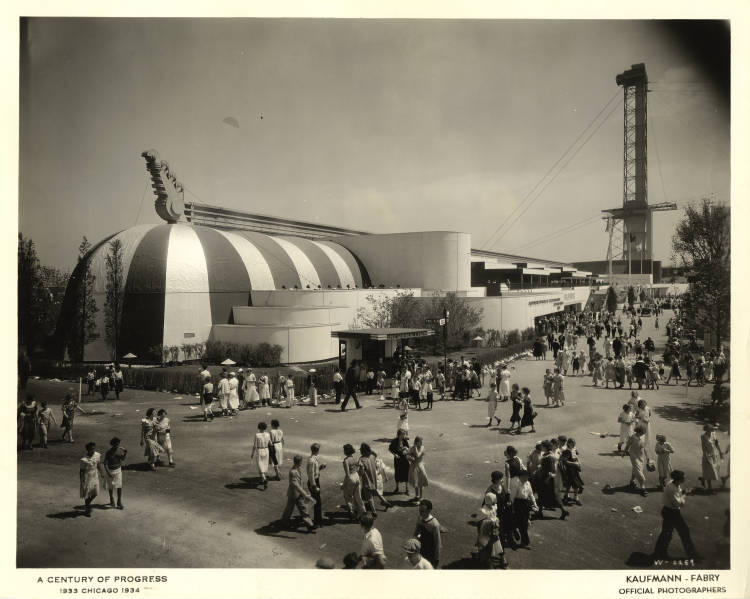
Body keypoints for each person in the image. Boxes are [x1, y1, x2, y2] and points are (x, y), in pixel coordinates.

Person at [652, 470, 700, 561]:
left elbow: (679, 493)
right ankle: (692, 555)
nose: (685, 478)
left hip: (669, 511)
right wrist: (685, 494)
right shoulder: (672, 489)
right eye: (684, 477)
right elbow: (679, 504)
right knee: (683, 532)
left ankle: (659, 552)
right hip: (672, 512)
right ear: (679, 479)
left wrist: (684, 492)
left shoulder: (673, 483)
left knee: (666, 533)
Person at [281, 455, 316, 533]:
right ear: (299, 462)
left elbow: (301, 482)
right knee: (289, 509)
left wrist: (305, 491)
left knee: (302, 509)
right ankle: (284, 522)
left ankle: (310, 525)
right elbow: (296, 485)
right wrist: (305, 494)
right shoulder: (293, 472)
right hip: (294, 494)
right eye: (301, 462)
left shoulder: (298, 469)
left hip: (297, 494)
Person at [475, 493, 508, 569]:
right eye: (494, 500)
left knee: (496, 543)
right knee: (487, 545)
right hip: (487, 531)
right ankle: (487, 561)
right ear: (489, 501)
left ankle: (499, 557)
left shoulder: (493, 507)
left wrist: (496, 521)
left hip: (494, 530)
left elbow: (494, 515)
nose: (495, 502)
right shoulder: (483, 510)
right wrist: (490, 522)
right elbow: (480, 522)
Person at [510, 471, 538, 547]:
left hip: (525, 505)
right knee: (519, 523)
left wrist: (535, 504)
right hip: (517, 504)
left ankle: (524, 542)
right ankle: (515, 534)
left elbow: (531, 494)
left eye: (527, 476)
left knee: (524, 524)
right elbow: (512, 497)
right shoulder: (516, 484)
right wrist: (511, 508)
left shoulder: (528, 483)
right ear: (520, 477)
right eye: (524, 477)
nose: (526, 478)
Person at [413, 499, 441, 568]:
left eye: (423, 511)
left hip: (430, 551)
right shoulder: (420, 517)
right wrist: (413, 542)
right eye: (419, 510)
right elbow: (416, 531)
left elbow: (438, 543)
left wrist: (436, 558)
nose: (420, 513)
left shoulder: (434, 524)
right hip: (421, 547)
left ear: (429, 511)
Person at [623, 426, 649, 496]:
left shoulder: (642, 437)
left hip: (640, 455)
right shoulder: (632, 437)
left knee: (636, 468)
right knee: (639, 470)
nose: (644, 433)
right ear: (639, 431)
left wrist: (648, 457)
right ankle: (643, 488)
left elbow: (644, 448)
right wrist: (624, 452)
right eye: (643, 432)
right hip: (633, 455)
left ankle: (632, 481)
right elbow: (628, 445)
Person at [342, 444, 366, 520]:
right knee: (358, 496)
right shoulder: (356, 458)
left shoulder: (346, 460)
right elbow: (361, 467)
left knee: (347, 497)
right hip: (357, 476)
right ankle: (363, 512)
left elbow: (347, 474)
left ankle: (352, 514)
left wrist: (344, 484)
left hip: (351, 478)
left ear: (346, 451)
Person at [79, 441, 103, 516]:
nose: (93, 450)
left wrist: (101, 473)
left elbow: (98, 464)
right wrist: (82, 480)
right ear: (88, 450)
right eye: (91, 449)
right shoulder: (84, 459)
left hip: (95, 475)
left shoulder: (97, 455)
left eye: (93, 448)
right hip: (87, 477)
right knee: (87, 493)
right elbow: (81, 471)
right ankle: (87, 509)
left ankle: (87, 504)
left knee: (95, 492)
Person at [103, 437, 127, 509]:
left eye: (118, 444)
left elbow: (122, 459)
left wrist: (125, 453)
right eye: (115, 444)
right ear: (112, 444)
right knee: (110, 487)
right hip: (110, 471)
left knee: (119, 486)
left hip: (118, 470)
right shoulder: (108, 452)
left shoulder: (119, 451)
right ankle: (111, 499)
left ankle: (119, 501)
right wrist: (108, 472)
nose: (117, 446)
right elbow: (105, 463)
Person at [698, 424, 723, 494]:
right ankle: (710, 488)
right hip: (707, 455)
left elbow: (716, 444)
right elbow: (703, 447)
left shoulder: (713, 434)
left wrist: (720, 452)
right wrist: (706, 456)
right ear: (706, 430)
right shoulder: (703, 437)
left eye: (712, 429)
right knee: (711, 471)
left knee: (714, 470)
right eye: (710, 429)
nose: (711, 430)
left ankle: (703, 479)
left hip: (714, 454)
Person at [307, 443, 326, 527]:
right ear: (316, 450)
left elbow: (315, 471)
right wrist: (313, 485)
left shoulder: (314, 459)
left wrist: (321, 467)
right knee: (317, 502)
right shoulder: (312, 460)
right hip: (313, 482)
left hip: (316, 480)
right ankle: (317, 521)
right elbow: (311, 474)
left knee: (317, 501)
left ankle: (318, 520)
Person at [389, 429, 410, 495]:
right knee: (397, 473)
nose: (404, 435)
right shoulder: (395, 441)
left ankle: (407, 488)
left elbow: (408, 448)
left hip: (405, 459)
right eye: (402, 434)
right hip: (398, 459)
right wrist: (395, 454)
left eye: (404, 434)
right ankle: (397, 487)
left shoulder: (405, 440)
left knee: (406, 472)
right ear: (399, 434)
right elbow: (390, 449)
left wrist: (406, 450)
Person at [250, 422, 271, 489]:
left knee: (260, 466)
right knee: (264, 465)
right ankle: (262, 480)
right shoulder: (268, 434)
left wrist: (252, 453)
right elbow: (270, 443)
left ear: (259, 427)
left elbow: (254, 446)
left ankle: (264, 480)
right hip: (266, 450)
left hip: (259, 451)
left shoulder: (257, 435)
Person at [408, 436, 429, 502]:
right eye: (420, 442)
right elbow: (408, 455)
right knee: (416, 482)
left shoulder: (422, 447)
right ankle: (417, 496)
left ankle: (421, 497)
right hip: (413, 467)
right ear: (417, 442)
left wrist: (414, 447)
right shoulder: (412, 448)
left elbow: (417, 455)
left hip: (420, 467)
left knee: (421, 482)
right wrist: (410, 458)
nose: (422, 443)